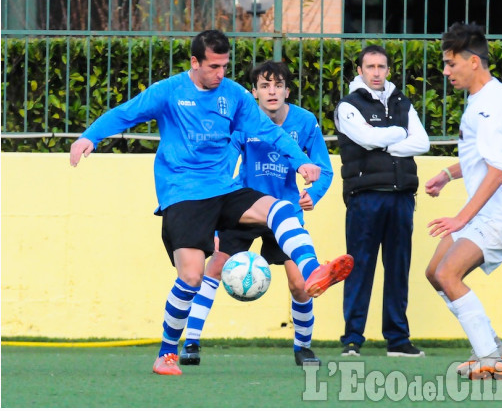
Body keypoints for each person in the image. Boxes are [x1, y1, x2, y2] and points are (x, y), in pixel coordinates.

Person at [69, 30, 353, 376]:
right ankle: (166, 353)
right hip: (184, 194)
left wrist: (300, 161)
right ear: (195, 63)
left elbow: (270, 131)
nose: (221, 73)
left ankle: (312, 271)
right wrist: (89, 137)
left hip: (225, 189)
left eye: (225, 66)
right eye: (214, 67)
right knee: (191, 278)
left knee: (282, 209)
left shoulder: (233, 94)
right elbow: (125, 113)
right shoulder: (170, 91)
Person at [179, 61, 334, 367]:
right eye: (264, 86)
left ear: (287, 91)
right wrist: (215, 206)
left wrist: (312, 195)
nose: (271, 91)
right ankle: (192, 342)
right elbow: (225, 165)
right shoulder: (243, 121)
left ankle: (303, 347)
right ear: (254, 93)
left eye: (278, 85)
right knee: (214, 268)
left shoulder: (305, 122)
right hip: (247, 208)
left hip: (285, 213)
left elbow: (324, 168)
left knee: (299, 283)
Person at [424, 22, 502, 379]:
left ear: (473, 62)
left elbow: (496, 173)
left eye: (450, 64)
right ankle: (492, 345)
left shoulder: (487, 107)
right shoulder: (491, 97)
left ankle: (489, 359)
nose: (446, 72)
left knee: (448, 274)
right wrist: (448, 174)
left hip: (501, 213)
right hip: (490, 209)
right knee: (434, 273)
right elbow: (483, 159)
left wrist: (459, 218)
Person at [335, 45, 430, 358]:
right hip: (366, 197)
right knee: (359, 267)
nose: (376, 72)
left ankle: (398, 340)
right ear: (360, 70)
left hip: (402, 196)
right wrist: (400, 135)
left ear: (388, 69)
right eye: (370, 66)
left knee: (398, 269)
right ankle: (352, 339)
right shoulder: (348, 105)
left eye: (382, 66)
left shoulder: (402, 101)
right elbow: (367, 139)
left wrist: (387, 142)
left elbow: (423, 142)